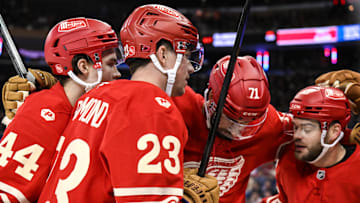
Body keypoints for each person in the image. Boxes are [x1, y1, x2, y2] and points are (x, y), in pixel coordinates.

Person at [37, 4, 218, 203]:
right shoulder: (154, 108)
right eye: (186, 55)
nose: (191, 68)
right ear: (163, 54)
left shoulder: (94, 95)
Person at [0, 17, 121, 202]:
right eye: (111, 64)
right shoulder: (47, 114)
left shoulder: (75, 110)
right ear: (83, 66)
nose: (118, 74)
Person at [171, 55, 294, 203]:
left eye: (249, 123)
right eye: (232, 121)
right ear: (211, 99)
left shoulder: (271, 125)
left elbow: (314, 130)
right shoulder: (177, 105)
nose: (239, 131)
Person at [267, 85, 360, 202]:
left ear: (334, 132)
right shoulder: (288, 162)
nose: (297, 136)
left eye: (307, 129)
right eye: (295, 127)